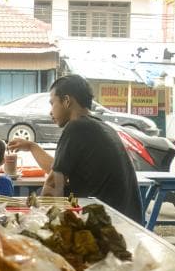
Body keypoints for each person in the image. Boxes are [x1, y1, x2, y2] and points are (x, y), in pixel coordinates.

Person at [8, 74, 142, 222]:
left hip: (107, 224)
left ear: (66, 101)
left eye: (52, 103)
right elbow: (58, 170)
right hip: (126, 220)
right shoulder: (100, 127)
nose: (50, 112)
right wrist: (32, 147)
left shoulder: (76, 127)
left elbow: (53, 184)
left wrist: (36, 221)